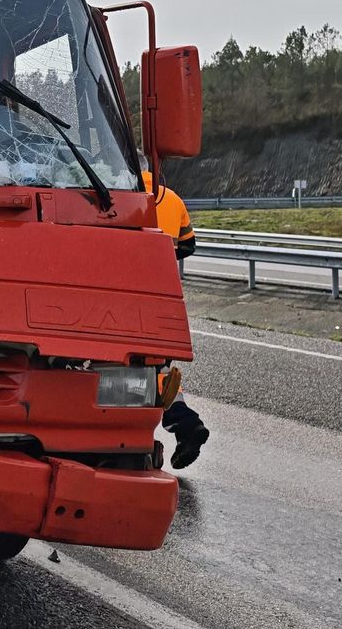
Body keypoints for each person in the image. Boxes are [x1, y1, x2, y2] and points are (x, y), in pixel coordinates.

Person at [144, 165, 209, 468]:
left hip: (121, 296)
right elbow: (189, 244)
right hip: (164, 297)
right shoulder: (171, 198)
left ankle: (176, 426)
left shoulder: (112, 191)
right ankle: (185, 426)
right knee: (158, 368)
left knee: (134, 373)